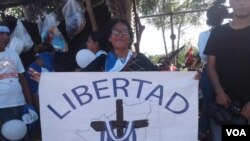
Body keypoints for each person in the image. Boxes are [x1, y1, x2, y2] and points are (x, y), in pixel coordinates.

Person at [204, 0, 250, 140]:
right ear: (231, 2)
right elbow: (210, 66)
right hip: (225, 108)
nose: (241, 3)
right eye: (237, 0)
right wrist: (219, 91)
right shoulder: (218, 33)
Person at [197, 3, 229, 140]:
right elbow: (204, 56)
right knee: (209, 102)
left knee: (221, 101)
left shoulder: (229, 32)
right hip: (212, 72)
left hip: (225, 71)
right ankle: (204, 131)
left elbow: (204, 55)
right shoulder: (205, 34)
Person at [0, 21, 33, 141]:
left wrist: (29, 103)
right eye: (1, 34)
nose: (5, 37)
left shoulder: (13, 54)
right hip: (2, 106)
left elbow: (23, 79)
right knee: (6, 137)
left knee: (24, 135)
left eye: (7, 34)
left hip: (19, 103)